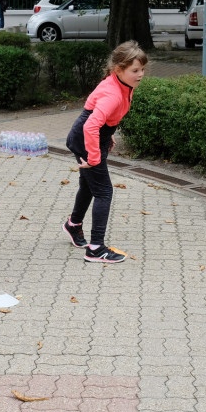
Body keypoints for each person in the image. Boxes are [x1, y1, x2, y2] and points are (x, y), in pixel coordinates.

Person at [63, 41, 147, 263]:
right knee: (104, 191)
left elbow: (100, 115)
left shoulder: (120, 84)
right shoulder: (113, 93)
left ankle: (73, 225)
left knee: (89, 186)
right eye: (135, 70)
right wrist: (93, 158)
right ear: (118, 69)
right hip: (86, 140)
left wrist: (108, 133)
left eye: (142, 69)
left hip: (92, 137)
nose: (140, 74)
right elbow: (91, 125)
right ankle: (96, 249)